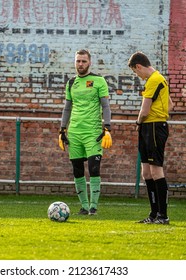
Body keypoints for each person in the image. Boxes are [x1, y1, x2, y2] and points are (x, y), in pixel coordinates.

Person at [58, 49, 112, 216]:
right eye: (78, 61)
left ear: (90, 63)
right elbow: (67, 108)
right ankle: (84, 206)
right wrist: (62, 129)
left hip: (93, 133)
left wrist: (107, 127)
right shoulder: (71, 83)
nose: (80, 64)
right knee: (77, 170)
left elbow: (105, 106)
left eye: (83, 61)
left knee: (94, 168)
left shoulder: (99, 81)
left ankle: (93, 207)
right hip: (74, 133)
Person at [128, 51, 173, 224]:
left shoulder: (154, 80)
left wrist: (139, 122)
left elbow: (144, 111)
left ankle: (163, 215)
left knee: (156, 170)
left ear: (138, 66)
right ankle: (153, 214)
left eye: (135, 71)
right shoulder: (158, 79)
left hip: (153, 127)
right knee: (146, 172)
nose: (136, 75)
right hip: (150, 127)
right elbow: (170, 104)